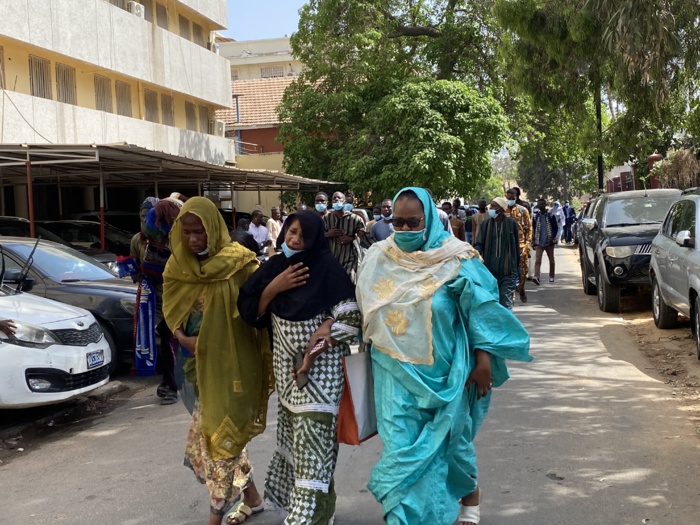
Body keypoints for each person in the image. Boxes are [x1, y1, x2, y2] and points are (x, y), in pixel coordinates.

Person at [356, 187, 531, 525]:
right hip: (393, 373)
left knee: (453, 446)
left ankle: (470, 496)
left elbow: (482, 311)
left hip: (450, 374)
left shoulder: (457, 258)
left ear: (430, 220)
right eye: (398, 223)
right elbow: (363, 309)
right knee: (401, 455)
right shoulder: (378, 257)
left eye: (413, 222)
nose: (405, 230)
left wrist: (483, 360)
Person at [238, 210, 361, 525]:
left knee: (313, 446)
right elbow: (251, 311)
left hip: (322, 378)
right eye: (291, 232)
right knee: (303, 448)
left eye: (302, 236)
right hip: (289, 379)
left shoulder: (327, 269)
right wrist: (275, 287)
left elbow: (349, 319)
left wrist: (317, 347)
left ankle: (304, 517)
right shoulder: (275, 268)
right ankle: (323, 510)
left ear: (316, 240)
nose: (294, 240)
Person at [162, 197, 273, 525]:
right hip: (200, 368)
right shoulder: (179, 266)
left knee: (220, 440)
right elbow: (172, 307)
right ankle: (251, 497)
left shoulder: (239, 264)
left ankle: (215, 515)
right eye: (187, 232)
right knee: (212, 437)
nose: (194, 239)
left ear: (213, 228)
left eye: (200, 231)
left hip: (235, 365)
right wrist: (183, 338)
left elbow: (259, 309)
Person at [474, 197, 521, 310]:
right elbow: (479, 243)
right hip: (490, 272)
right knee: (493, 303)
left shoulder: (511, 224)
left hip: (508, 271)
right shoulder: (486, 224)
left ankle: (508, 327)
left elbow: (516, 247)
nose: (490, 208)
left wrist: (517, 269)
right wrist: (475, 253)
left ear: (501, 209)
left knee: (506, 304)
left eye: (493, 206)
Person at [323, 191, 366, 284]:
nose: (336, 199)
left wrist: (351, 239)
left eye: (339, 198)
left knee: (349, 282)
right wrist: (328, 234)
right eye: (334, 198)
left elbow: (363, 236)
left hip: (349, 259)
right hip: (332, 259)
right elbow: (319, 236)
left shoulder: (355, 219)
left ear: (345, 201)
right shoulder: (327, 219)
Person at [505, 188, 532, 304]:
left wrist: (527, 244)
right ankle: (510, 293)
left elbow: (529, 228)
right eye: (509, 195)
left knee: (522, 270)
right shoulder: (502, 210)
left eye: (513, 196)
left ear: (516, 196)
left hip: (521, 245)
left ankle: (521, 288)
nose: (510, 197)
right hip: (506, 245)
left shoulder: (523, 210)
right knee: (508, 270)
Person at [532, 198, 559, 284]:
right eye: (539, 205)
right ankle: (537, 276)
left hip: (549, 242)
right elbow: (533, 228)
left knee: (551, 260)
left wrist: (553, 237)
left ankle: (551, 276)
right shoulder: (536, 217)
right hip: (539, 242)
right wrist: (533, 240)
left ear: (545, 205)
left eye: (542, 205)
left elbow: (556, 228)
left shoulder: (551, 216)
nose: (540, 206)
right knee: (537, 260)